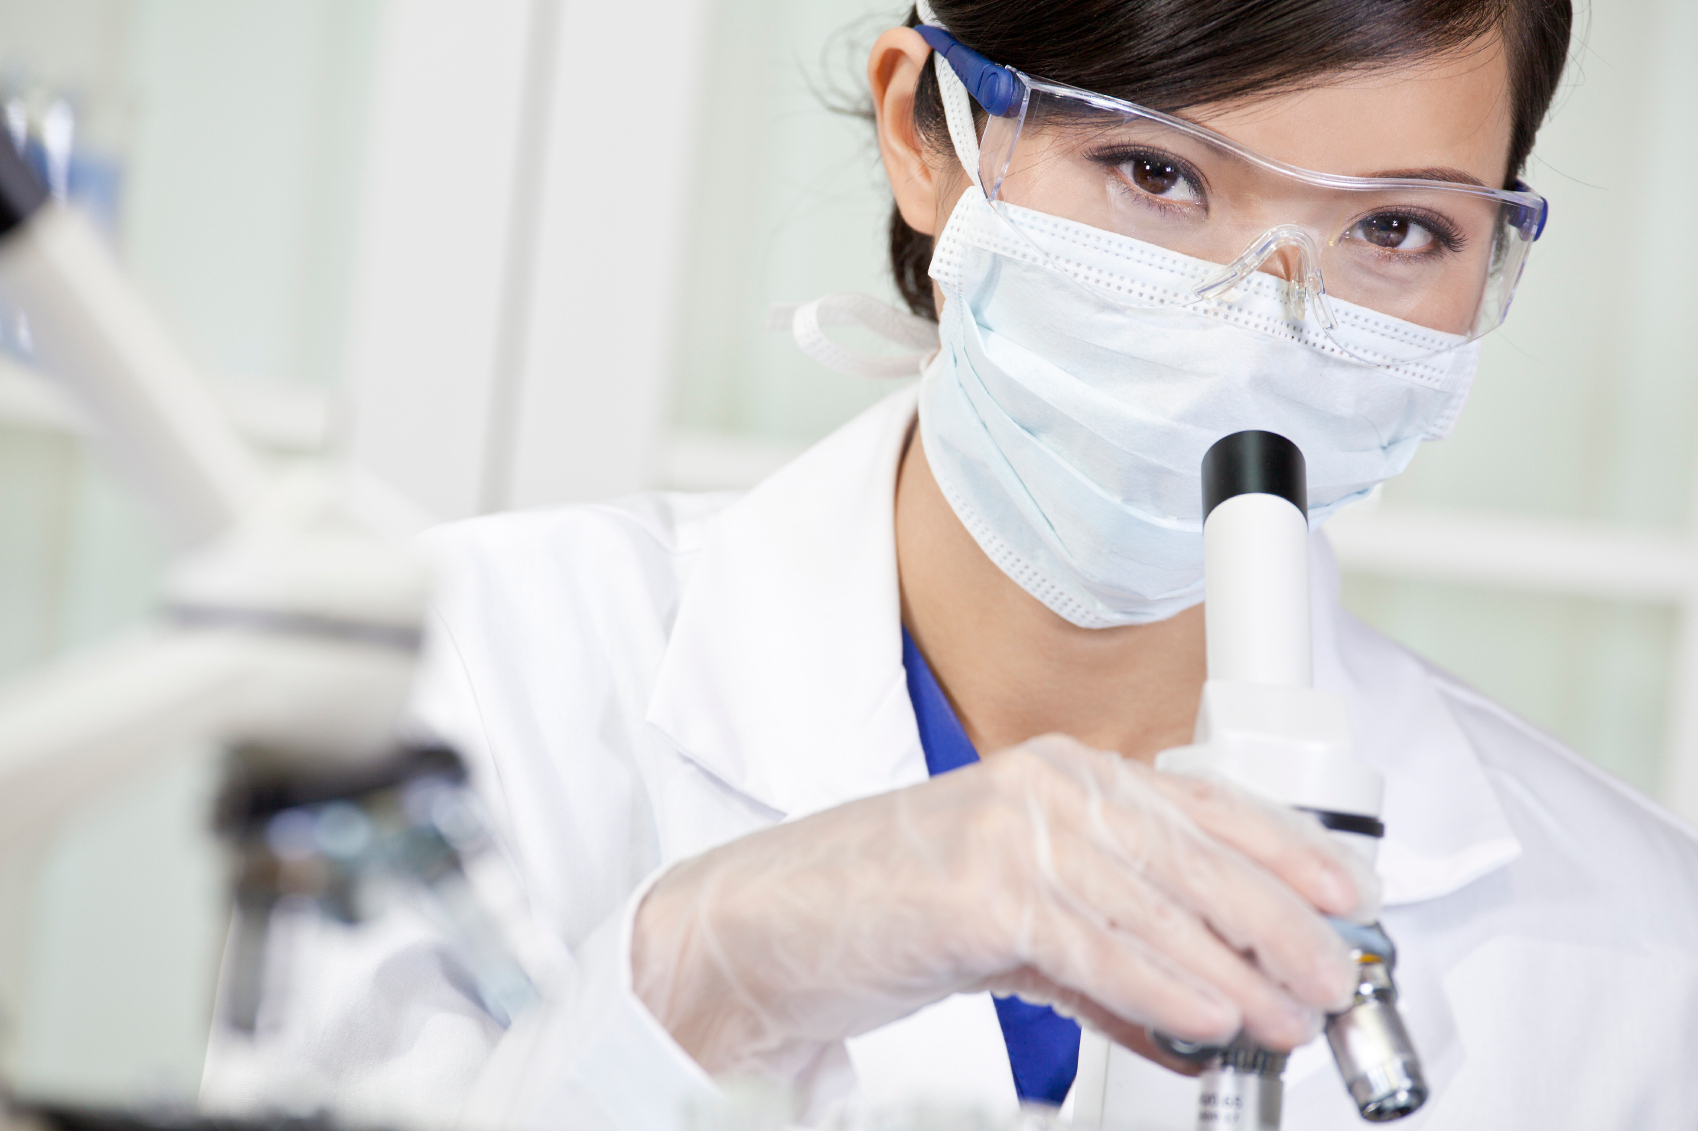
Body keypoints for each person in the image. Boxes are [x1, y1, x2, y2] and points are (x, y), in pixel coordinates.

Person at [203, 0, 1698, 1128]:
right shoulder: (467, 670)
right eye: (1152, 172)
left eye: (1393, 226)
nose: (1259, 327)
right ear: (928, 132)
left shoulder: (1629, 942)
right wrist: (714, 961)